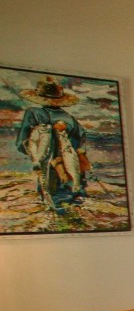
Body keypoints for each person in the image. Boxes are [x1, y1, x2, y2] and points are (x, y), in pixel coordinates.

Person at [14, 76, 90, 212]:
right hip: (71, 166)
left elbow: (22, 142)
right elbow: (81, 141)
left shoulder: (33, 113)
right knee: (72, 199)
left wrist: (35, 156)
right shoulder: (71, 119)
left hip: (50, 169)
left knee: (52, 199)